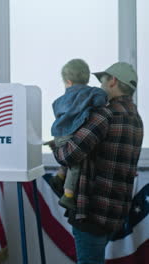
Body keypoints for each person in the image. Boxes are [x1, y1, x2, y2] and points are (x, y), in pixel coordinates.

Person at [52, 62, 143, 264]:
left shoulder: (105, 114)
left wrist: (57, 144)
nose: (100, 86)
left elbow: (68, 155)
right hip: (115, 212)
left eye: (102, 81)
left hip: (92, 212)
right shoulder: (136, 118)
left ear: (113, 81)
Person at [47, 59, 107, 210]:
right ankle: (68, 196)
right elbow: (101, 99)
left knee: (68, 156)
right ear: (87, 78)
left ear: (67, 81)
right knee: (75, 164)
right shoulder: (92, 92)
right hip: (72, 135)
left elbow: (56, 110)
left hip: (58, 135)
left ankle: (59, 177)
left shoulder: (59, 101)